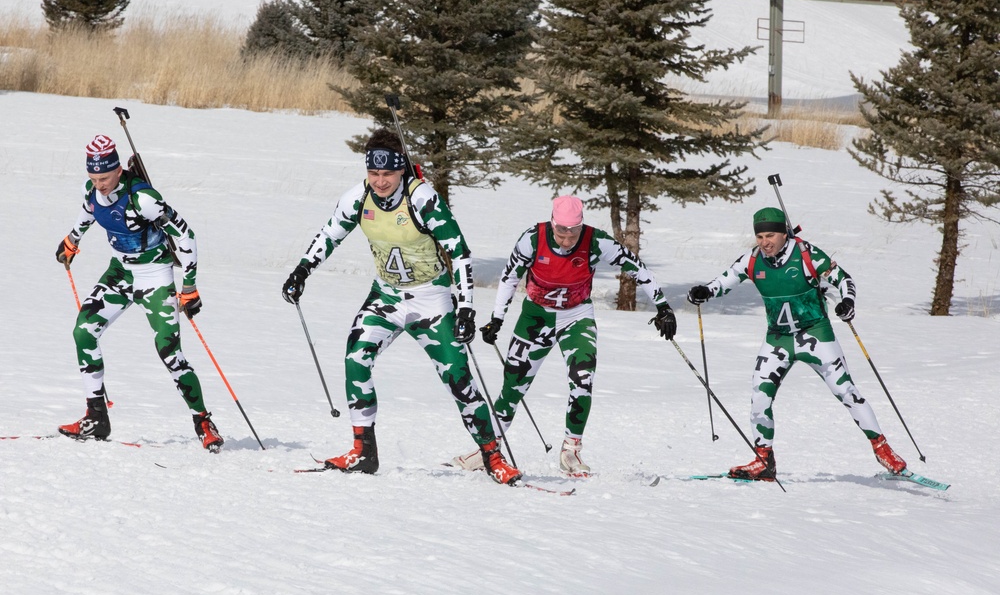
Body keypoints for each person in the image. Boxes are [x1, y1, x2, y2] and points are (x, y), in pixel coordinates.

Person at [281, 128, 521, 485]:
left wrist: (467, 307)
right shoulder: (358, 198)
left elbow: (459, 251)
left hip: (432, 300)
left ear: (402, 171)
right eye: (374, 174)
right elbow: (330, 234)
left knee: (458, 379)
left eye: (387, 174)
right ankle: (363, 452)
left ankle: (492, 457)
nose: (380, 181)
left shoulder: (421, 198)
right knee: (356, 358)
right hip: (386, 297)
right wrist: (302, 270)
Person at [452, 194, 677, 476]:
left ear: (581, 226)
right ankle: (488, 449)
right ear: (553, 223)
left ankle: (571, 451)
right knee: (513, 386)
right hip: (536, 317)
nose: (567, 240)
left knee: (583, 379)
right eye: (561, 232)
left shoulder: (596, 241)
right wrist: (497, 319)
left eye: (573, 233)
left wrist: (663, 307)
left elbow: (637, 268)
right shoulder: (532, 239)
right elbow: (510, 276)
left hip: (576, 316)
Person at [686, 206, 907, 480]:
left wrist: (847, 302)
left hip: (815, 334)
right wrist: (704, 291)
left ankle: (882, 448)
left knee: (846, 391)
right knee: (759, 396)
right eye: (760, 237)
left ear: (784, 234)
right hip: (777, 338)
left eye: (771, 236)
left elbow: (843, 279)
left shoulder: (805, 254)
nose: (765, 242)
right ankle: (763, 460)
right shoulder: (752, 260)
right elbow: (723, 282)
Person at [55, 135, 223, 452]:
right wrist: (72, 239)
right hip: (120, 271)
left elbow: (186, 236)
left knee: (168, 349)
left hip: (155, 273)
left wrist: (189, 286)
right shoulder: (92, 191)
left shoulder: (144, 199)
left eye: (104, 177)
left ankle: (203, 421)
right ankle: (96, 418)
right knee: (83, 331)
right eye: (93, 178)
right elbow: (89, 211)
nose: (100, 184)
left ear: (118, 170)